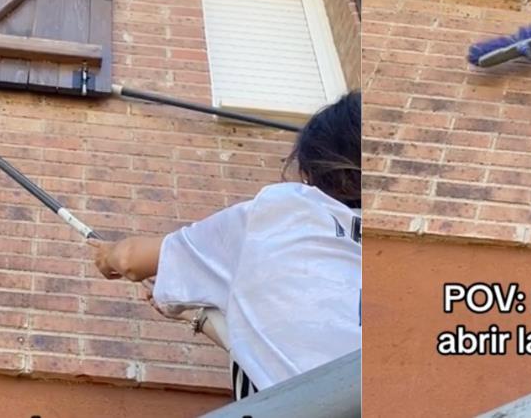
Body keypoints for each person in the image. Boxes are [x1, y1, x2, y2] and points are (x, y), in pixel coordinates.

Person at [89, 91, 362, 401]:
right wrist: (194, 314)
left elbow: (130, 259)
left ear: (316, 166)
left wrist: (107, 255)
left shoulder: (282, 210)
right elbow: (274, 355)